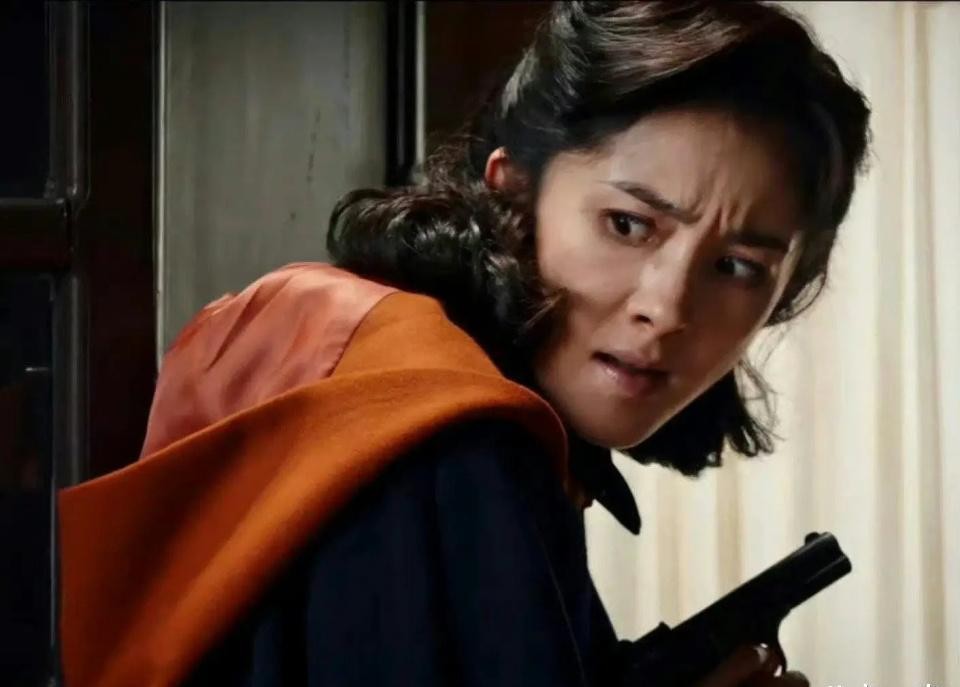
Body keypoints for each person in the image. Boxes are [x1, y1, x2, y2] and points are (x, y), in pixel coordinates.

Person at [57, 2, 871, 686]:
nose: (666, 307)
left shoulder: (343, 331)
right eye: (627, 225)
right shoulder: (454, 438)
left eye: (736, 267)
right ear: (512, 193)